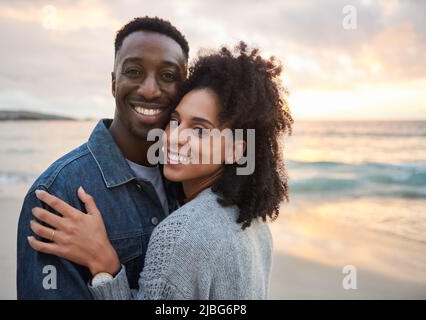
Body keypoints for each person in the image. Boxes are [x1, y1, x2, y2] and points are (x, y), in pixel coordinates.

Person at [28, 42, 293, 299]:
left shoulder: (180, 233)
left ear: (236, 149)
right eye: (176, 121)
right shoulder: (254, 222)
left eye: (199, 131)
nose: (175, 137)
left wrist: (104, 265)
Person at [16, 16, 189, 299]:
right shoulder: (57, 193)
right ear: (113, 82)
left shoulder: (189, 181)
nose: (149, 89)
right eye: (134, 71)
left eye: (168, 76)